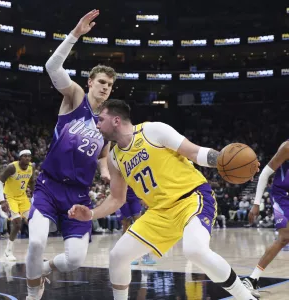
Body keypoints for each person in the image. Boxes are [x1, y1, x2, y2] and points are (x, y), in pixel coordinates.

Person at [69, 99, 258, 300]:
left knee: (194, 250)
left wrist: (226, 160)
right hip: (159, 212)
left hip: (191, 198)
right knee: (117, 256)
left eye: (100, 119)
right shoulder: (114, 158)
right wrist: (90, 214)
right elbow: (116, 199)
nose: (97, 125)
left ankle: (246, 297)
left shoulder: (152, 131)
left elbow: (195, 152)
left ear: (116, 120)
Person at [25, 9, 116, 300]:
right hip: (49, 186)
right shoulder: (75, 96)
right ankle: (32, 292)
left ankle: (46, 269)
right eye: (102, 82)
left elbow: (103, 155)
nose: (106, 87)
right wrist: (75, 33)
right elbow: (52, 66)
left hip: (78, 195)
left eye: (110, 85)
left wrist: (104, 170)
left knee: (75, 260)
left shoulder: (107, 122)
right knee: (36, 242)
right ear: (90, 82)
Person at [242, 140, 289, 297]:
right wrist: (256, 204)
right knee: (284, 238)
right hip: (282, 194)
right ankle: (251, 279)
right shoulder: (287, 148)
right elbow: (265, 174)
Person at [0, 150, 34, 261]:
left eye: (29, 156)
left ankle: (34, 251)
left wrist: (35, 196)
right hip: (10, 198)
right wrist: (2, 201)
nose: (27, 158)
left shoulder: (31, 168)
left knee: (34, 221)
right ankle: (7, 252)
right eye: (25, 156)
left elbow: (31, 182)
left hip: (22, 197)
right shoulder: (12, 167)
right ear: (20, 158)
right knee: (17, 224)